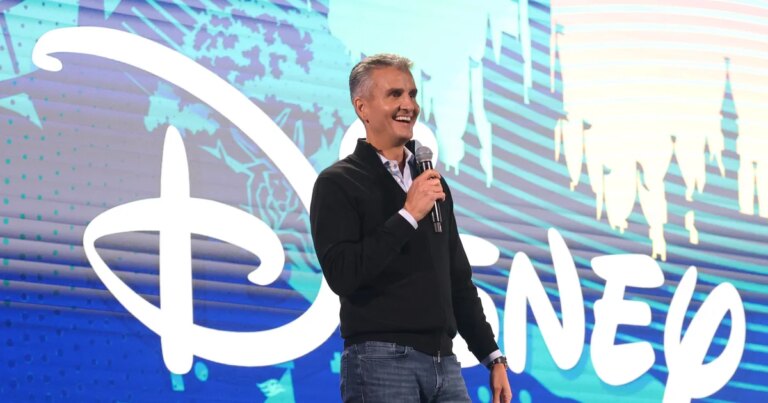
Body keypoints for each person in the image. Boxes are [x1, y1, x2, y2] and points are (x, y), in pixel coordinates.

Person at [310, 53, 512, 403]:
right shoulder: (338, 183)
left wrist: (492, 355)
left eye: (412, 94)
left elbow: (456, 279)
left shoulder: (431, 183)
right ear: (362, 108)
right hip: (380, 360)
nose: (409, 105)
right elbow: (343, 274)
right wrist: (407, 215)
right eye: (395, 94)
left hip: (444, 363)